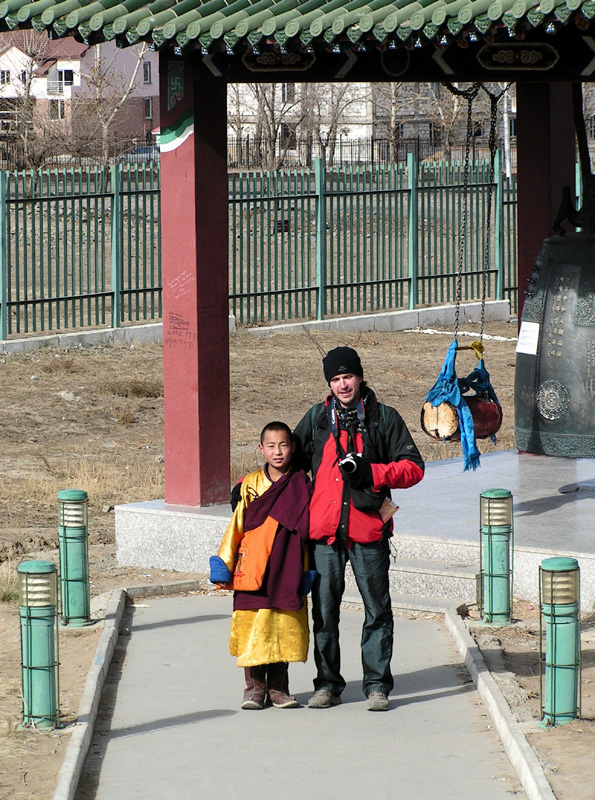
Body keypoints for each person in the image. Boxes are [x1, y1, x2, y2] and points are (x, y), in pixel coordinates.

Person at [293, 347, 424, 712]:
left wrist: (374, 473)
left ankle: (377, 685)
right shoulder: (318, 418)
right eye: (335, 379)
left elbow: (414, 467)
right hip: (324, 535)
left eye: (347, 376)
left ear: (360, 376)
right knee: (324, 611)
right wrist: (253, 485)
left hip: (368, 533)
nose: (342, 384)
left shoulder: (384, 417)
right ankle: (327, 685)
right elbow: (289, 462)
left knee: (377, 610)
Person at [209, 421, 313, 710]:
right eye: (271, 446)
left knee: (281, 622)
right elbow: (237, 525)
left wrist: (307, 571)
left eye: (283, 445)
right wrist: (223, 562)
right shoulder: (250, 484)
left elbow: (307, 534)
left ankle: (279, 688)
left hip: (287, 565)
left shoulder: (301, 483)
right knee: (252, 623)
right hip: (252, 565)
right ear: (261, 449)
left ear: (292, 447)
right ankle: (254, 689)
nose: (277, 452)